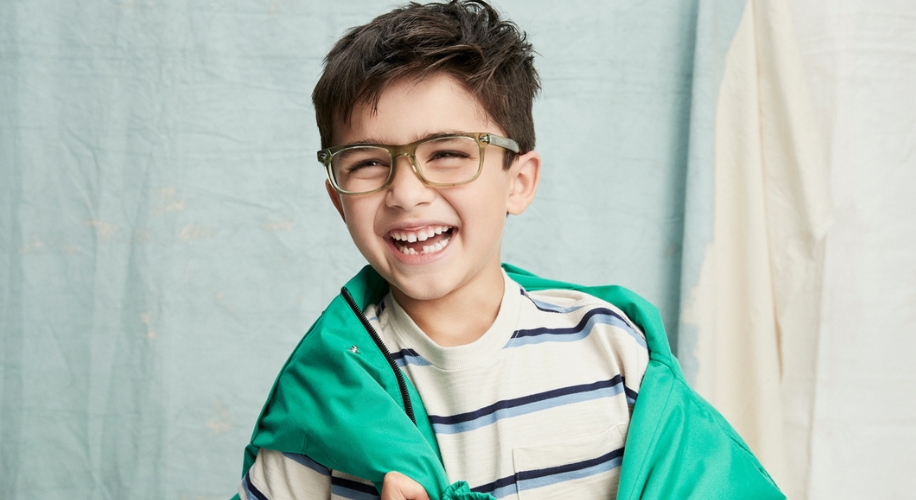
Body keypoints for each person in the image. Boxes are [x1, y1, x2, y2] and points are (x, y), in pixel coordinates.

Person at [234, 1, 784, 499]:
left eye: (447, 153)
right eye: (368, 162)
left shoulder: (611, 352)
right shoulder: (321, 400)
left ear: (519, 181)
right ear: (338, 198)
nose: (404, 192)